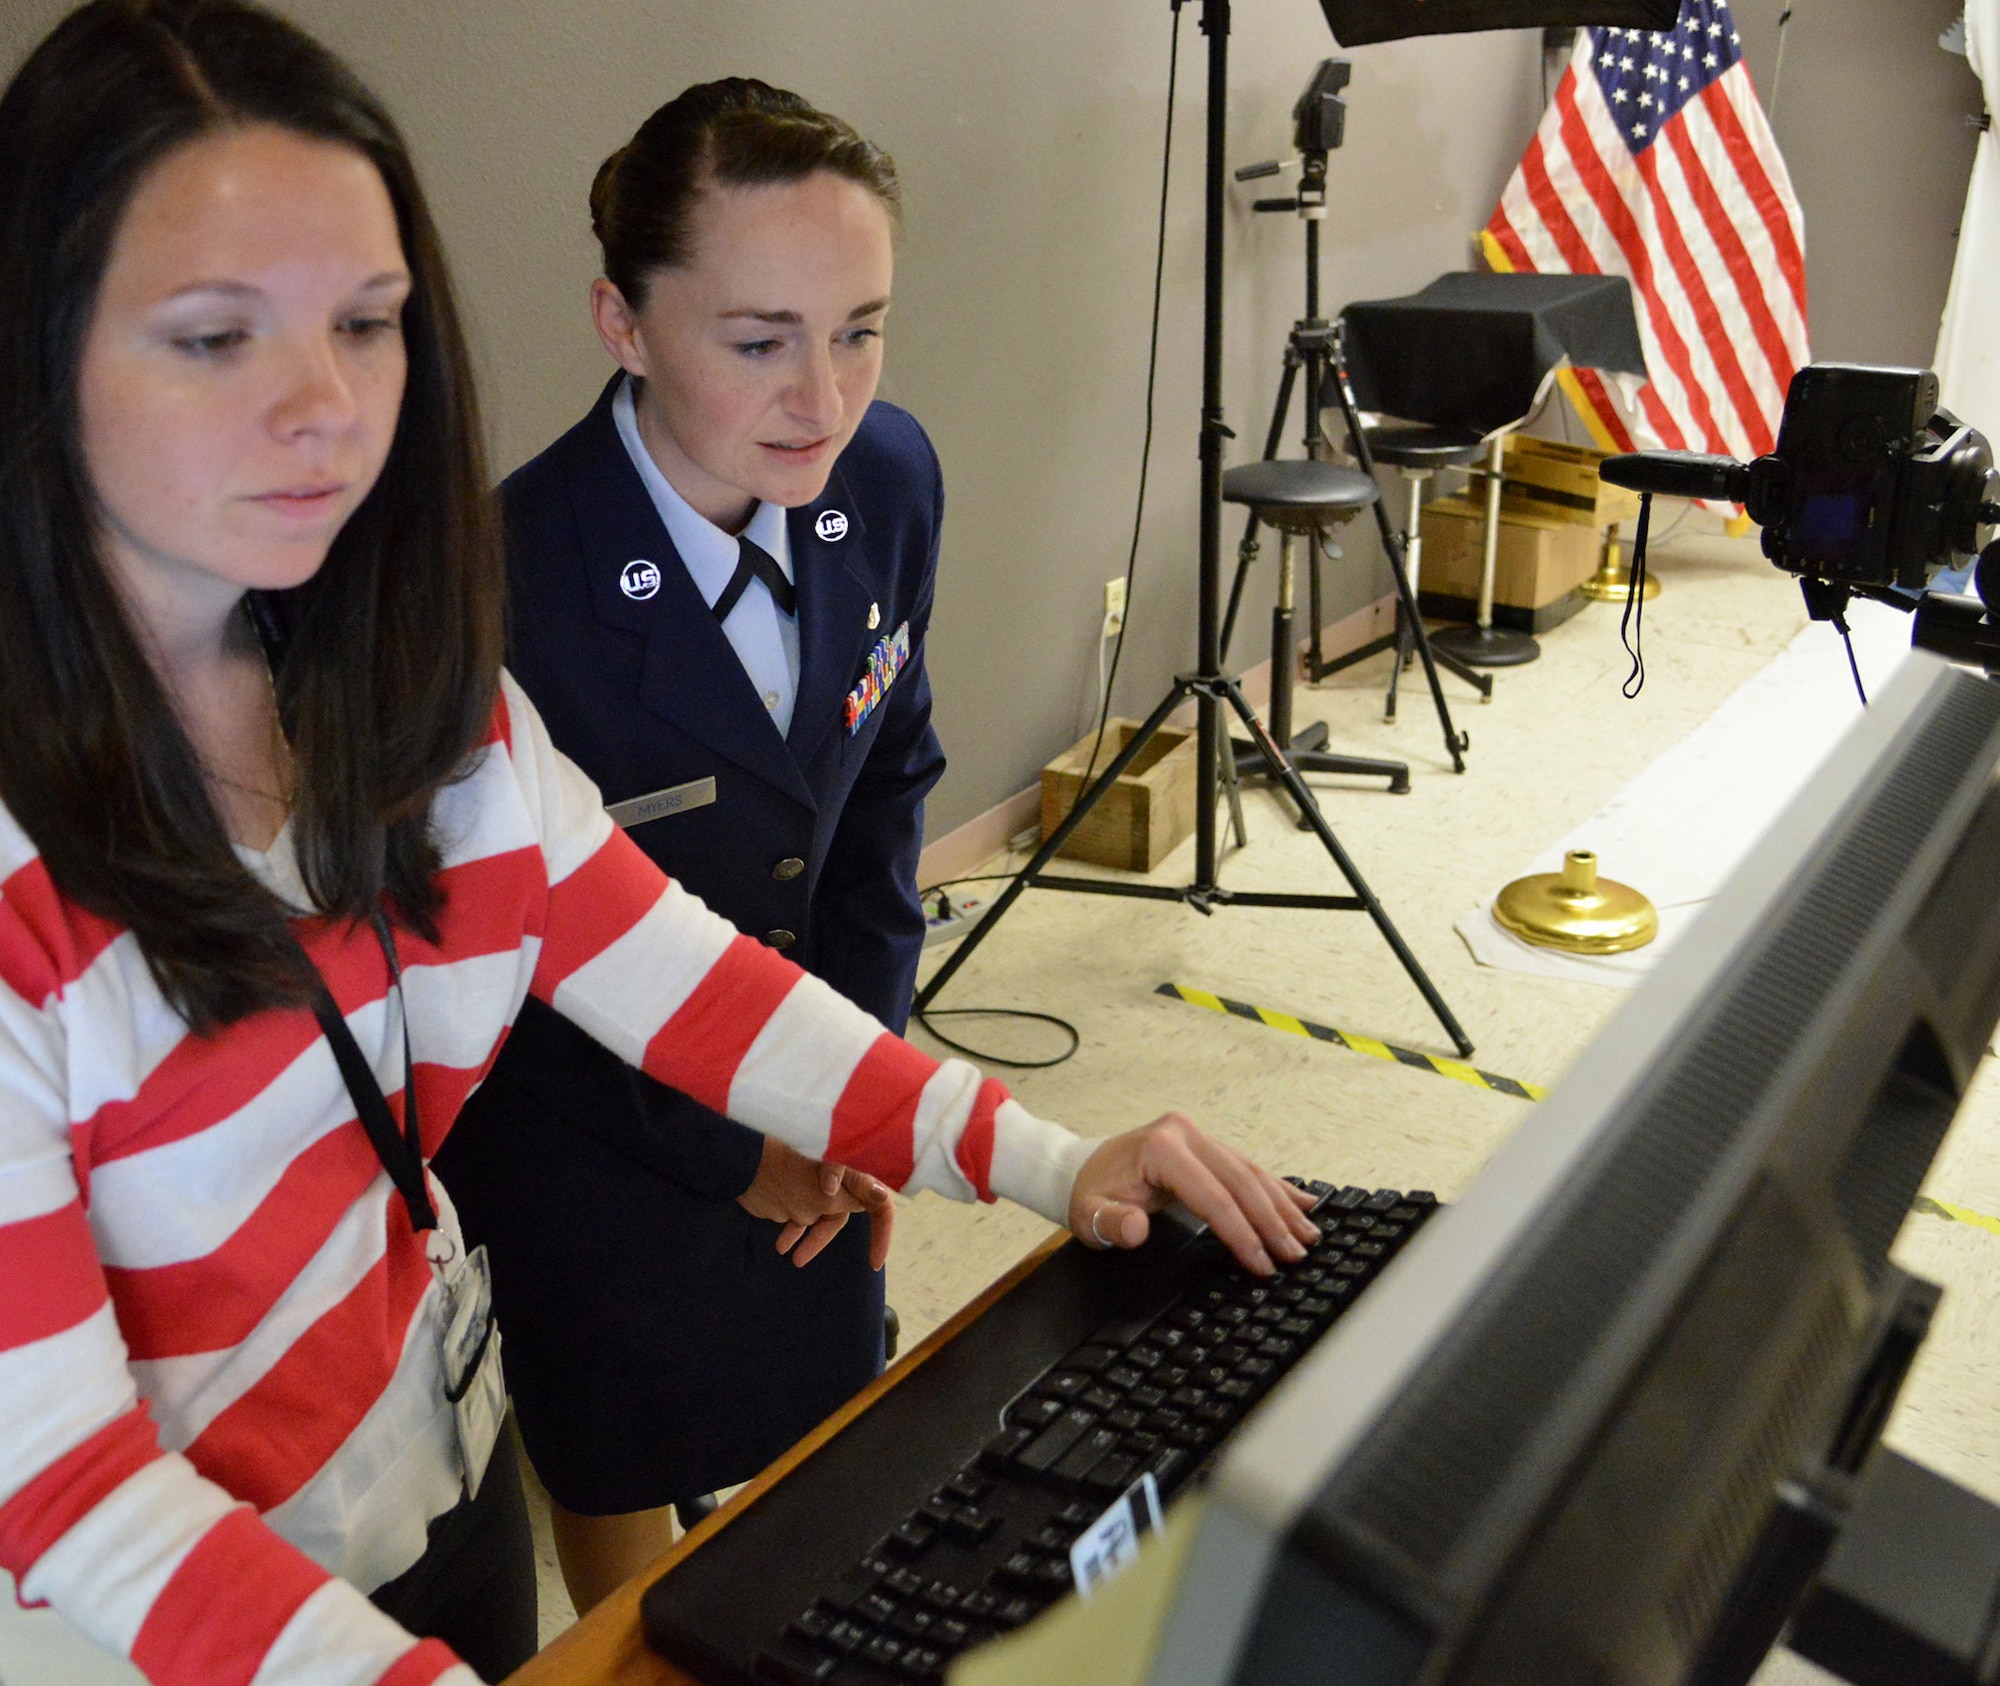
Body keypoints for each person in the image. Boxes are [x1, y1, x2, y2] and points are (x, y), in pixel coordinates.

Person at [0, 6, 1320, 1685]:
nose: (325, 407)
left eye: (367, 321)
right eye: (212, 336)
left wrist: (1048, 1162)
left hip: (428, 1447)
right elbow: (60, 1480)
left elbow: (676, 969)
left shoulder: (411, 697)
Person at [432, 80, 951, 1614]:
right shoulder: (502, 587)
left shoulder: (889, 480)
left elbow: (885, 788)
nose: (824, 394)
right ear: (624, 322)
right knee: (620, 1479)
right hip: (594, 1135)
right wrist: (739, 1143)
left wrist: (863, 1079)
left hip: (817, 1079)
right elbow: (499, 978)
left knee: (818, 1448)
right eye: (759, 339)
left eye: (860, 326)